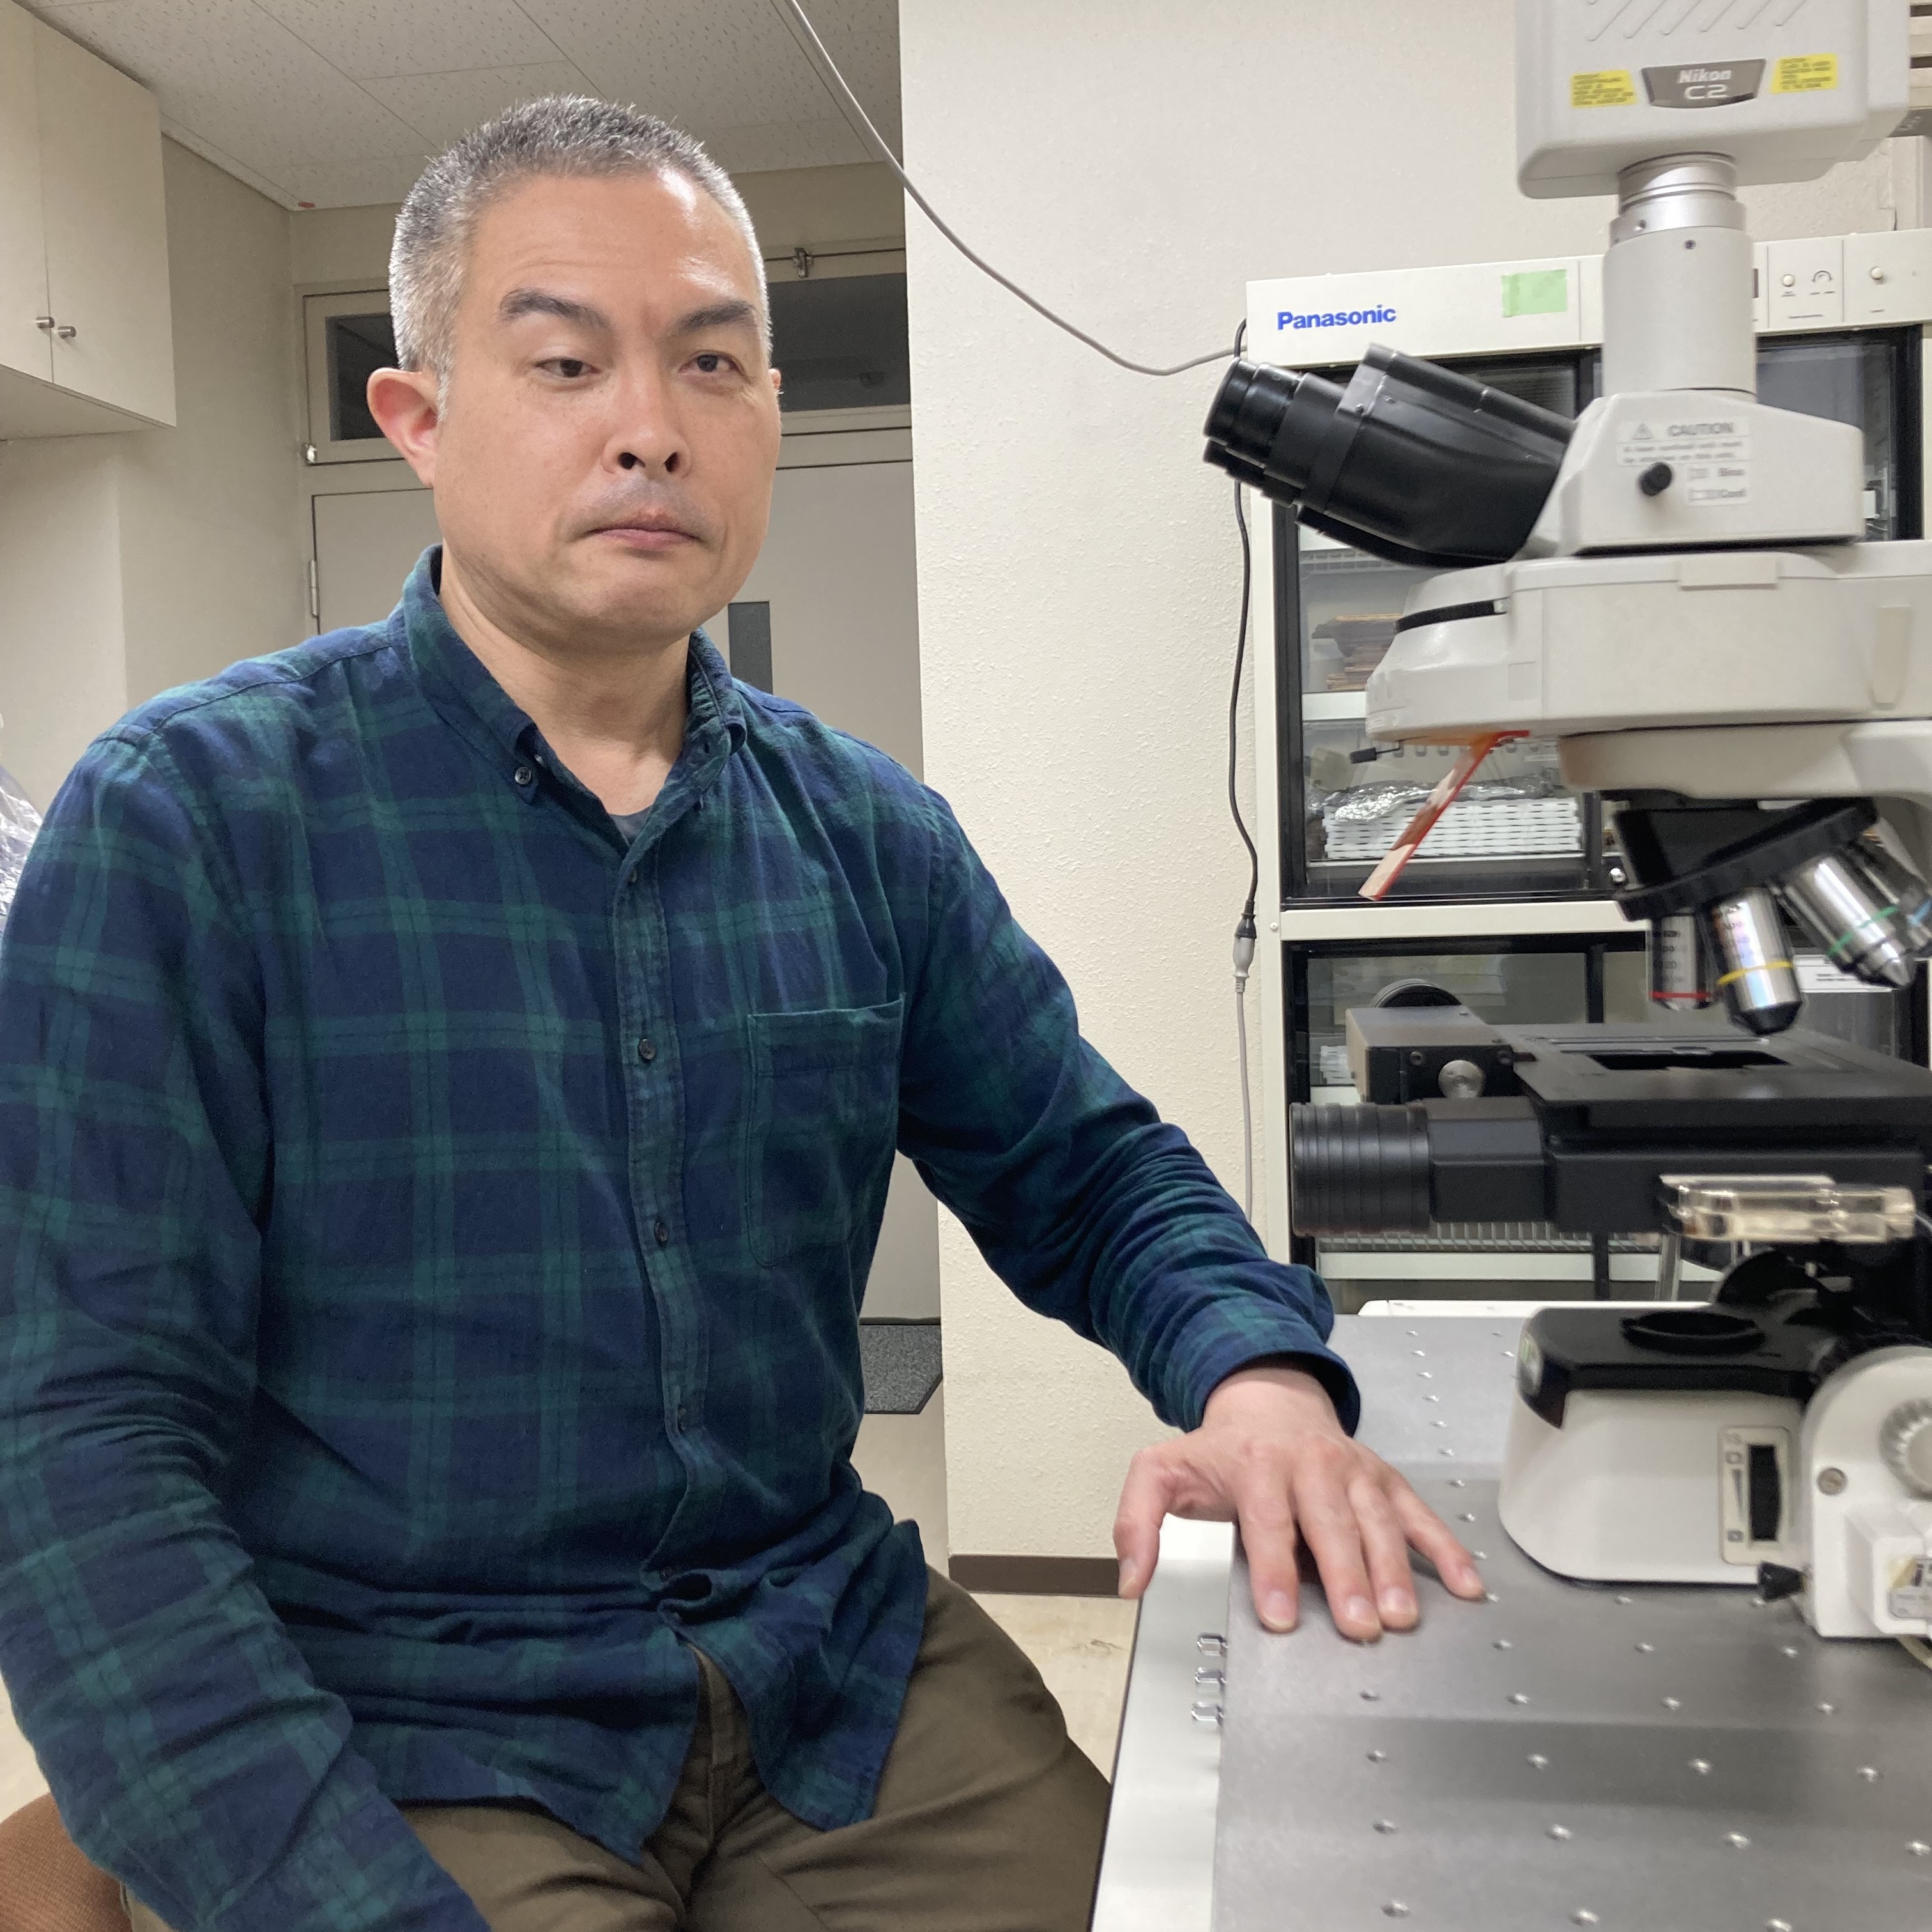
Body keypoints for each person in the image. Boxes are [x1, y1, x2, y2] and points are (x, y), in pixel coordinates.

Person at [0, 98, 1482, 1932]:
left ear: (770, 410)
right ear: (420, 417)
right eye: (566, 362)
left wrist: (1257, 1381)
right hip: (407, 1706)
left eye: (712, 361)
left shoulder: (862, 830)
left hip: (822, 1668)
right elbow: (83, 1449)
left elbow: (1087, 1170)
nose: (652, 425)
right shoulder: (190, 825)